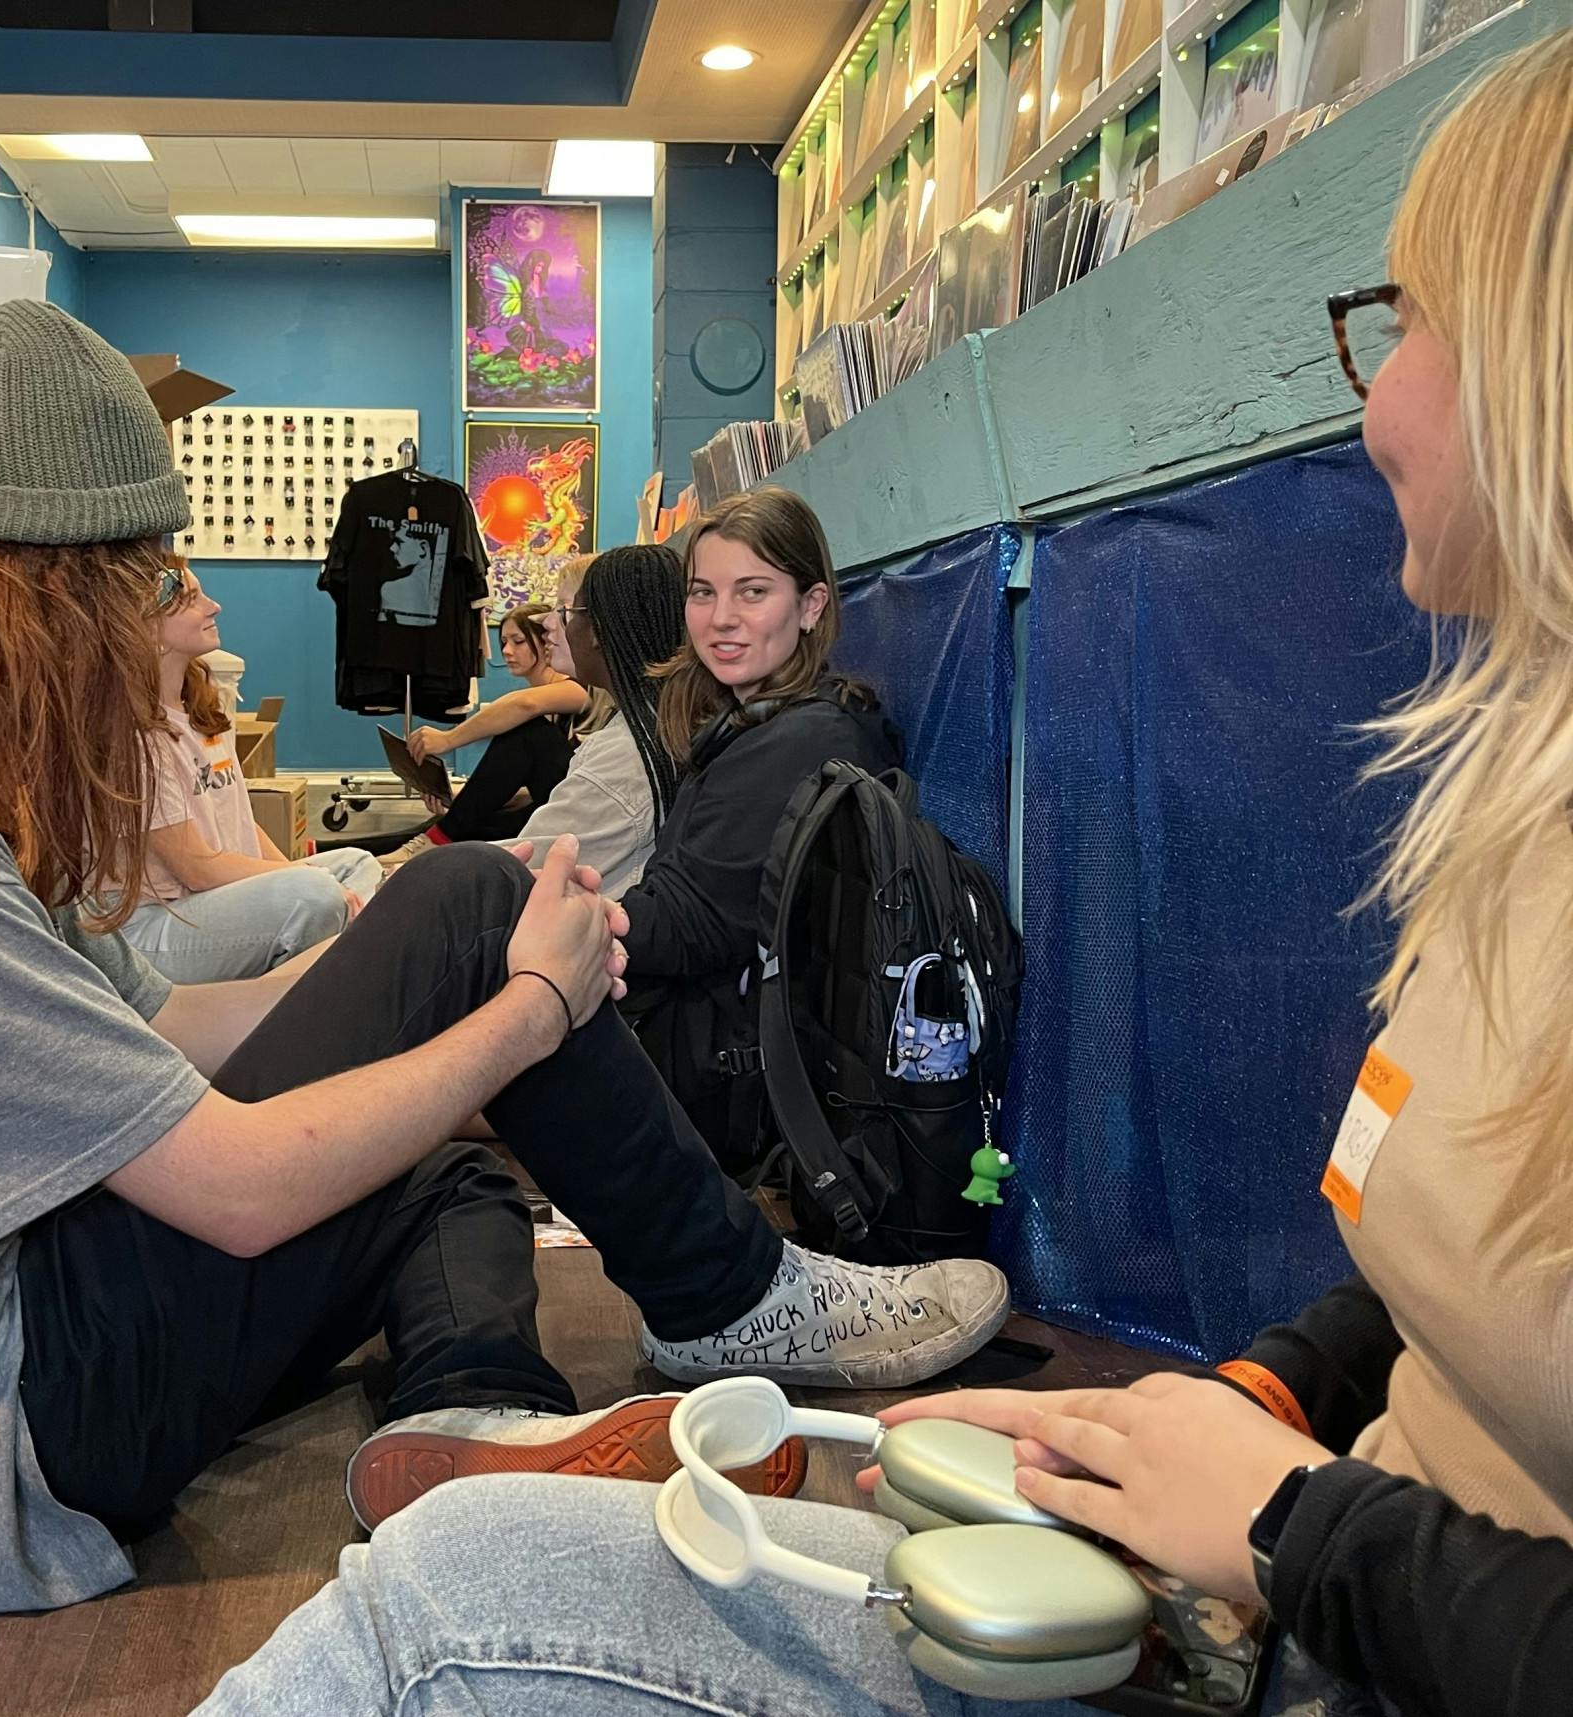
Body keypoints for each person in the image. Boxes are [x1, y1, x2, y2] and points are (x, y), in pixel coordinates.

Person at [185, 35, 1573, 1717]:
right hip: (1285, 1590)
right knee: (439, 1531)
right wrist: (1266, 1400)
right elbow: (1445, 1317)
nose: (1378, 387)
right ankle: (595, 1361)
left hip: (1319, 1605)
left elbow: (685, 928)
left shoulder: (783, 748)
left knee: (434, 1569)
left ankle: (704, 1310)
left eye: (1410, 317)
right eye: (697, 598)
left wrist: (1290, 1523)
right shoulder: (1511, 833)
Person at [0, 298, 1007, 1619]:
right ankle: (731, 1297)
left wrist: (391, 970)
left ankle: (478, 1421)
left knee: (438, 1154)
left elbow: (164, 1030)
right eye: (127, 597)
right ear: (36, 575)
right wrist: (522, 1003)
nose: (135, 646)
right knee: (475, 901)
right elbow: (232, 1193)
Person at [616, 487, 899, 1168]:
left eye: (752, 592)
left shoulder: (800, 741)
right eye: (703, 593)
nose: (720, 619)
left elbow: (687, 925)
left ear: (811, 606)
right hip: (692, 1052)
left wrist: (556, 918)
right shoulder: (763, 720)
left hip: (713, 1089)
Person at [113, 557, 379, 982]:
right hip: (154, 929)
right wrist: (305, 881)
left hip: (207, 900)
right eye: (192, 599)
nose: (213, 606)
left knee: (355, 863)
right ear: (146, 629)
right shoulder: (131, 735)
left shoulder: (199, 706)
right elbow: (198, 869)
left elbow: (241, 822)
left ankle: (351, 968)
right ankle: (347, 981)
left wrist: (305, 875)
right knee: (314, 894)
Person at [490, 542, 688, 899]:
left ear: (601, 628)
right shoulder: (650, 727)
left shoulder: (623, 761)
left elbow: (518, 876)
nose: (549, 625)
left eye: (566, 612)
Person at [386, 602, 588, 860]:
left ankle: (440, 838)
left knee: (527, 731)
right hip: (552, 803)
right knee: (450, 826)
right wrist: (469, 797)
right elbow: (537, 778)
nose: (507, 651)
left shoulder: (576, 689)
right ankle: (322, 850)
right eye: (504, 642)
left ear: (546, 642)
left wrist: (448, 739)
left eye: (518, 641)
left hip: (577, 815)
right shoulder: (547, 702)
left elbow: (522, 704)